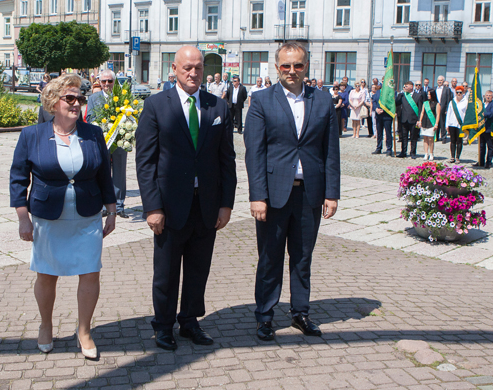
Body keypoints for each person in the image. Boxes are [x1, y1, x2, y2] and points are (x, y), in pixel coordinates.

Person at [135, 46, 236, 351]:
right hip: (169, 206)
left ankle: (190, 321)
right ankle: (163, 325)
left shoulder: (218, 107)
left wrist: (226, 204)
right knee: (166, 272)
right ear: (175, 70)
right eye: (187, 68)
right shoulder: (156, 105)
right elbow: (146, 161)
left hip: (206, 205)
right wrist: (152, 207)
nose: (193, 73)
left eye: (198, 68)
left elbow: (226, 160)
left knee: (198, 269)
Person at [10, 74, 117, 360]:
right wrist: (23, 217)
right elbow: (18, 179)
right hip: (48, 218)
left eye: (80, 98)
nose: (76, 103)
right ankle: (46, 325)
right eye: (70, 98)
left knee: (90, 272)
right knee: (47, 274)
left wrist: (111, 210)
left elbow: (104, 176)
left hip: (87, 217)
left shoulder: (93, 134)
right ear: (53, 101)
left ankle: (84, 331)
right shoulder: (31, 135)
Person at [245, 41, 340, 342]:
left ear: (306, 66)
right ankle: (265, 316)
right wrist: (257, 196)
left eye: (298, 65)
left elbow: (331, 151)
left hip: (309, 193)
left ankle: (300, 312)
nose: (292, 71)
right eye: (286, 65)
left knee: (302, 258)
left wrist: (332, 193)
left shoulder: (322, 100)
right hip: (273, 195)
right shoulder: (262, 100)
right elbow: (254, 153)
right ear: (277, 67)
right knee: (269, 258)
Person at [86, 70, 129, 218]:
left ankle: (119, 205)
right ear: (99, 82)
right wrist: (102, 126)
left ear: (114, 82)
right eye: (103, 81)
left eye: (110, 81)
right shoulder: (93, 98)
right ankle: (105, 205)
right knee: (103, 173)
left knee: (120, 173)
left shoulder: (123, 96)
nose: (106, 84)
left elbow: (130, 116)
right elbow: (90, 117)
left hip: (120, 141)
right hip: (102, 141)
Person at [395, 80, 424, 158]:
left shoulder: (418, 96)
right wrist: (398, 96)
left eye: (406, 86)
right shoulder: (403, 95)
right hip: (404, 119)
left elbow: (420, 109)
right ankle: (403, 152)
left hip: (414, 120)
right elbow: (396, 103)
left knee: (413, 137)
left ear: (411, 87)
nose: (404, 88)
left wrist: (419, 120)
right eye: (404, 86)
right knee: (404, 137)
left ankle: (413, 152)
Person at [417, 88, 441, 162]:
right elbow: (422, 113)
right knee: (425, 139)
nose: (428, 95)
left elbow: (438, 115)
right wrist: (420, 121)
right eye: (427, 94)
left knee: (430, 139)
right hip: (424, 122)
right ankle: (426, 153)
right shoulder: (425, 103)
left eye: (429, 94)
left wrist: (436, 124)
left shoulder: (437, 104)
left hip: (432, 123)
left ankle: (431, 153)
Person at [445, 85, 467, 163]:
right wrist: (447, 124)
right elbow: (449, 113)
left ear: (463, 93)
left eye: (460, 92)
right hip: (452, 123)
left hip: (460, 124)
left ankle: (457, 157)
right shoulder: (452, 102)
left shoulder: (465, 102)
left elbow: (466, 114)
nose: (458, 94)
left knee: (459, 141)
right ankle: (452, 157)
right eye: (457, 92)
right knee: (452, 140)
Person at [478, 91, 493, 169]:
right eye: (487, 95)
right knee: (481, 146)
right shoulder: (482, 105)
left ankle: (488, 162)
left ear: (492, 97)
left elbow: (492, 114)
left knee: (490, 146)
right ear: (484, 96)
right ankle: (481, 161)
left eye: (490, 95)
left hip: (489, 128)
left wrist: (482, 114)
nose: (488, 97)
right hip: (481, 128)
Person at [373, 80, 393, 156]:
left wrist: (383, 109)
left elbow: (391, 103)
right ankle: (378, 148)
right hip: (378, 115)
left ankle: (389, 149)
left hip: (387, 115)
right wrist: (376, 109)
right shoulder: (378, 91)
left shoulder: (391, 92)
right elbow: (374, 101)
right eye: (382, 81)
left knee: (388, 133)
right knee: (379, 133)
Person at [434, 76, 451, 141]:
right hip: (435, 108)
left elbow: (448, 100)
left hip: (443, 108)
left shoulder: (447, 89)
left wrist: (447, 109)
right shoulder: (434, 88)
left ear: (443, 81)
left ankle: (443, 137)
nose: (440, 81)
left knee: (442, 123)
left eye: (441, 80)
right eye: (439, 80)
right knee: (436, 122)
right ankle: (436, 137)